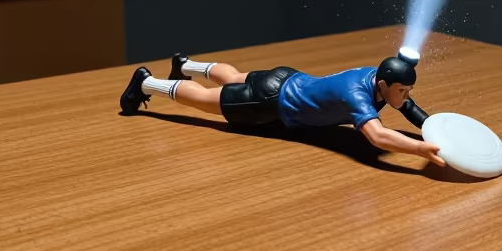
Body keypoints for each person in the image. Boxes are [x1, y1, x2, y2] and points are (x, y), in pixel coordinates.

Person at [119, 48, 445, 167]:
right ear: (385, 86)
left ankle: (186, 63)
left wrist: (435, 128)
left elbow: (408, 109)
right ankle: (146, 84)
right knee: (206, 101)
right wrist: (420, 149)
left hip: (286, 78)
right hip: (271, 103)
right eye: (402, 90)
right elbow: (379, 138)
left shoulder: (379, 78)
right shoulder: (357, 96)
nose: (406, 96)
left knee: (232, 76)